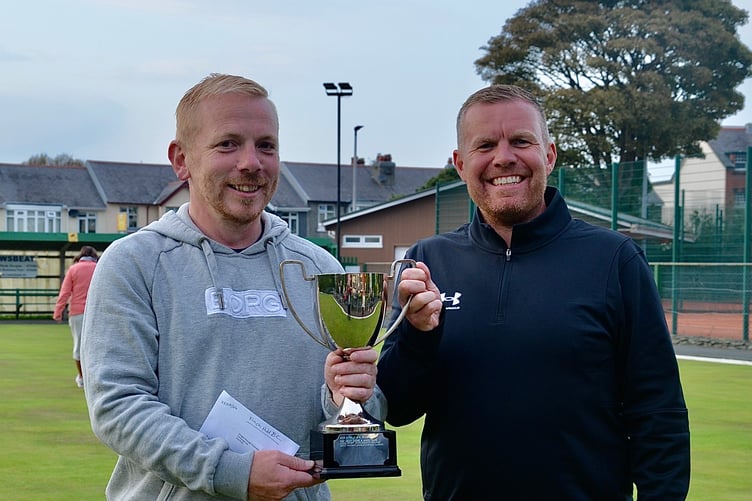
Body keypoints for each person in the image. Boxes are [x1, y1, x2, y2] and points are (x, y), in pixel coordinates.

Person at [378, 84, 690, 500]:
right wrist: (419, 334)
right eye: (485, 144)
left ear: (549, 154)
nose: (503, 157)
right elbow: (396, 407)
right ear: (460, 162)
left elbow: (658, 411)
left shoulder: (615, 259)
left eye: (521, 141)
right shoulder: (427, 262)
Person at [80, 73, 384, 501]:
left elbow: (354, 412)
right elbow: (118, 406)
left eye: (266, 145)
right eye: (227, 144)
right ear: (181, 159)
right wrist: (230, 471)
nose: (251, 163)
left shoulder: (318, 267)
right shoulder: (134, 264)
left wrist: (347, 397)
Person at [53, 245, 98, 388]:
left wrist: (58, 311)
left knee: (79, 345)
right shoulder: (99, 267)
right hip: (96, 312)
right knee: (96, 346)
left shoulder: (73, 269)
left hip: (78, 312)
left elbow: (65, 292)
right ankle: (95, 376)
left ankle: (82, 377)